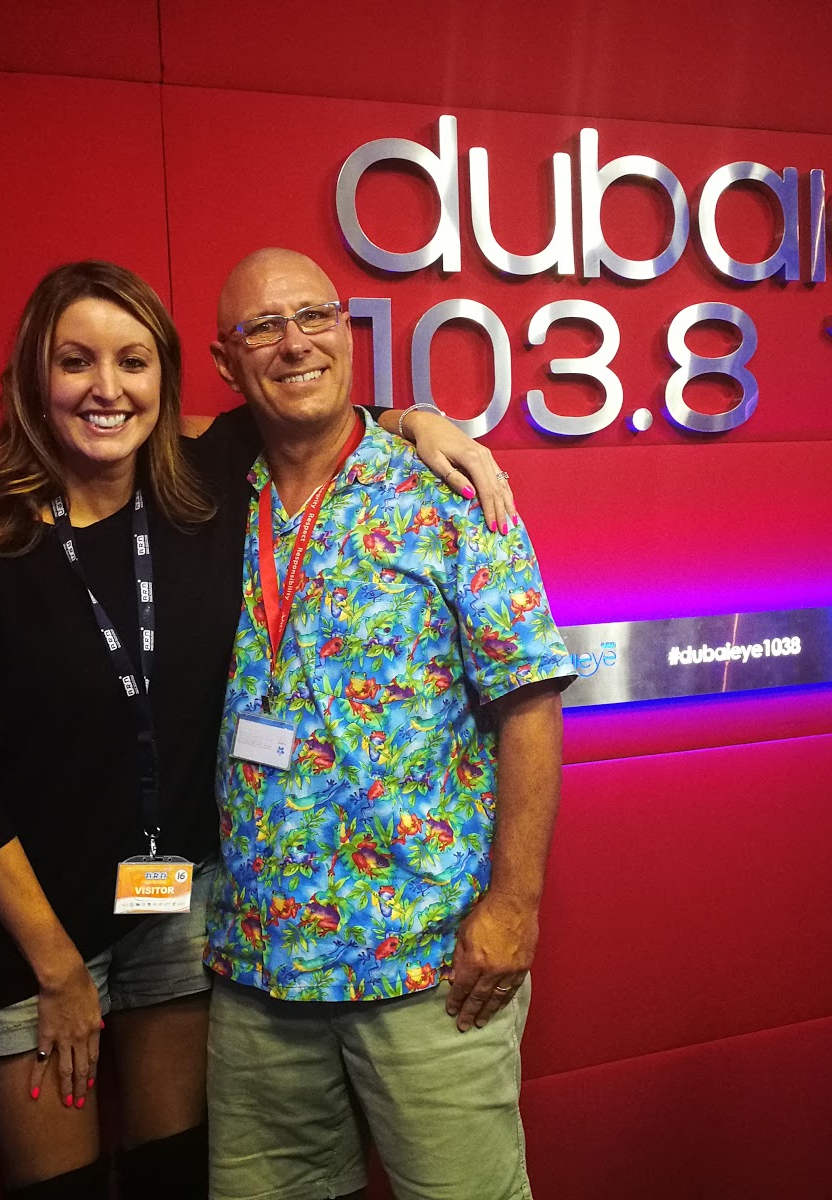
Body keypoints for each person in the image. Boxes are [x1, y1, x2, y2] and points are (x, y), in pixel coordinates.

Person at [0, 261, 513, 1200]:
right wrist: (58, 968)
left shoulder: (203, 488)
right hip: (27, 933)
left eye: (133, 361)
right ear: (34, 377)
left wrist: (417, 420)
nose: (107, 388)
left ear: (168, 379)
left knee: (175, 1177)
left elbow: (311, 399)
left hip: (171, 909)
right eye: (75, 361)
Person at [203, 248, 574, 1200]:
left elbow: (531, 700)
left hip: (427, 964)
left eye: (314, 317)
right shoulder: (203, 498)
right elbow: (92, 441)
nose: (295, 344)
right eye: (262, 327)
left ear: (347, 329)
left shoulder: (449, 491)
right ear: (225, 362)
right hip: (258, 968)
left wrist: (515, 907)